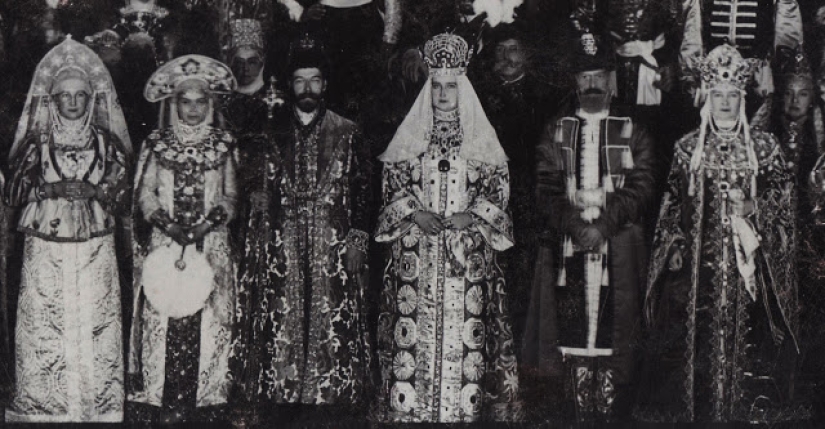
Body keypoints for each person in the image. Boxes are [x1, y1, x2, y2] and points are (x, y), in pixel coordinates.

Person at [636, 43, 808, 423]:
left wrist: (754, 206)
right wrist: (675, 244)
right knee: (688, 352)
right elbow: (671, 205)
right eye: (718, 95)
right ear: (707, 97)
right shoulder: (687, 149)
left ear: (742, 97)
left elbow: (786, 204)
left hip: (752, 278)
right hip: (698, 277)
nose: (726, 103)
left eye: (732, 95)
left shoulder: (764, 148)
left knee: (753, 358)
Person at [374, 33, 522, 423]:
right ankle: (412, 412)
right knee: (412, 331)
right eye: (436, 86)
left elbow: (499, 189)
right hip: (416, 253)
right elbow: (392, 185)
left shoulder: (480, 138)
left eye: (450, 87)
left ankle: (463, 412)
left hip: (466, 253)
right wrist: (415, 213)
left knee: (467, 333)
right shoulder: (412, 136)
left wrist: (470, 217)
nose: (442, 94)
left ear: (462, 89)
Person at [231, 35, 372, 426]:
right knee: (283, 314)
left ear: (324, 85)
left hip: (332, 244)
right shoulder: (271, 130)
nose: (307, 88)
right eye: (299, 81)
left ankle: (332, 394)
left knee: (332, 314)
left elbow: (364, 189)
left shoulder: (347, 131)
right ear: (290, 85)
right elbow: (250, 179)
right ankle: (283, 393)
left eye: (314, 80)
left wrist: (357, 239)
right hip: (284, 242)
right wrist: (256, 194)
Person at [522, 26, 654, 423]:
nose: (592, 84)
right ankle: (577, 413)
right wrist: (577, 227)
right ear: (574, 81)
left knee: (617, 332)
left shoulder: (633, 129)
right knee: (573, 331)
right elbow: (545, 186)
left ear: (613, 81)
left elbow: (642, 184)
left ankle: (611, 415)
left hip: (619, 246)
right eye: (584, 76)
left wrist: (603, 226)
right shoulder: (557, 129)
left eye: (599, 75)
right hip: (569, 246)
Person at [3, 36, 131, 423]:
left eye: (80, 96)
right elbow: (13, 192)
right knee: (47, 317)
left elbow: (125, 192)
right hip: (46, 246)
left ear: (90, 100)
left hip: (95, 245)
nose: (72, 103)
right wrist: (49, 190)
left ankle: (97, 403)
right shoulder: (37, 143)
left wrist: (97, 191)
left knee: (96, 317)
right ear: (53, 100)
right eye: (65, 97)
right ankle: (46, 403)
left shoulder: (106, 143)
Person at [127, 54, 239, 424]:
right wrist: (168, 225)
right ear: (174, 104)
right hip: (166, 243)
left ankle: (206, 399)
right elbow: (145, 193)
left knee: (210, 317)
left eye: (200, 102)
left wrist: (205, 227)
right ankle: (161, 397)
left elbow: (230, 197)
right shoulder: (157, 143)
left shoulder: (224, 144)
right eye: (185, 102)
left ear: (210, 104)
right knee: (163, 314)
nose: (193, 109)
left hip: (210, 244)